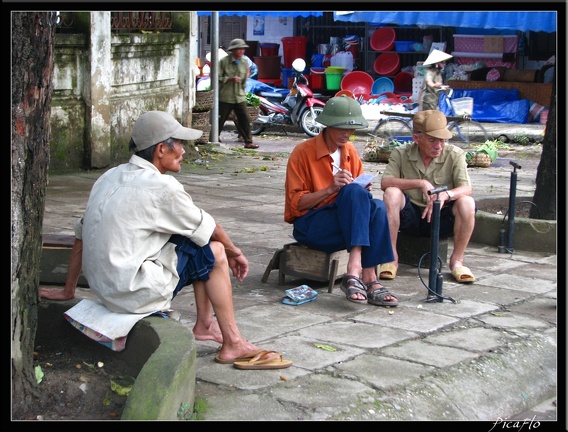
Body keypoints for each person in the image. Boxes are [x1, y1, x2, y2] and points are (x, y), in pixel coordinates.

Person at [46, 110, 290, 368]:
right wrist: (235, 252)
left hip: (104, 288)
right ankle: (233, 343)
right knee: (215, 251)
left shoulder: (108, 177)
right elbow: (209, 227)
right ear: (161, 149)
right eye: (180, 144)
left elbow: (80, 235)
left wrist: (68, 289)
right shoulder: (162, 187)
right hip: (132, 293)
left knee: (194, 242)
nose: (184, 151)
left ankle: (205, 325)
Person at [284, 96, 398, 307]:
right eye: (342, 128)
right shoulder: (302, 154)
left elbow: (358, 200)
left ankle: (370, 277)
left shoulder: (350, 152)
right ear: (327, 125)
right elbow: (295, 206)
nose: (347, 134)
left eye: (351, 129)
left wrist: (362, 191)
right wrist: (330, 189)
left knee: (377, 206)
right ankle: (359, 271)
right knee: (354, 193)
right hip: (313, 226)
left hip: (345, 225)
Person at [380, 110, 476, 285]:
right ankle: (391, 257)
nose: (439, 145)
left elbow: (467, 188)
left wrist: (447, 195)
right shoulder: (401, 153)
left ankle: (457, 261)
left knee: (467, 202)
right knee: (391, 193)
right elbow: (385, 182)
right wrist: (420, 183)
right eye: (433, 140)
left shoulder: (455, 154)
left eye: (442, 140)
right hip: (411, 217)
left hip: (441, 216)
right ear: (417, 139)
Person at [210, 38, 258, 149]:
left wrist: (243, 87)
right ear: (233, 50)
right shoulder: (224, 62)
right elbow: (217, 77)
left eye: (243, 49)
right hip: (226, 96)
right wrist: (229, 79)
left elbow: (245, 77)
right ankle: (213, 138)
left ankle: (248, 141)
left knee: (244, 119)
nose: (241, 51)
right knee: (220, 119)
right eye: (239, 49)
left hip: (239, 96)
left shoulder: (244, 62)